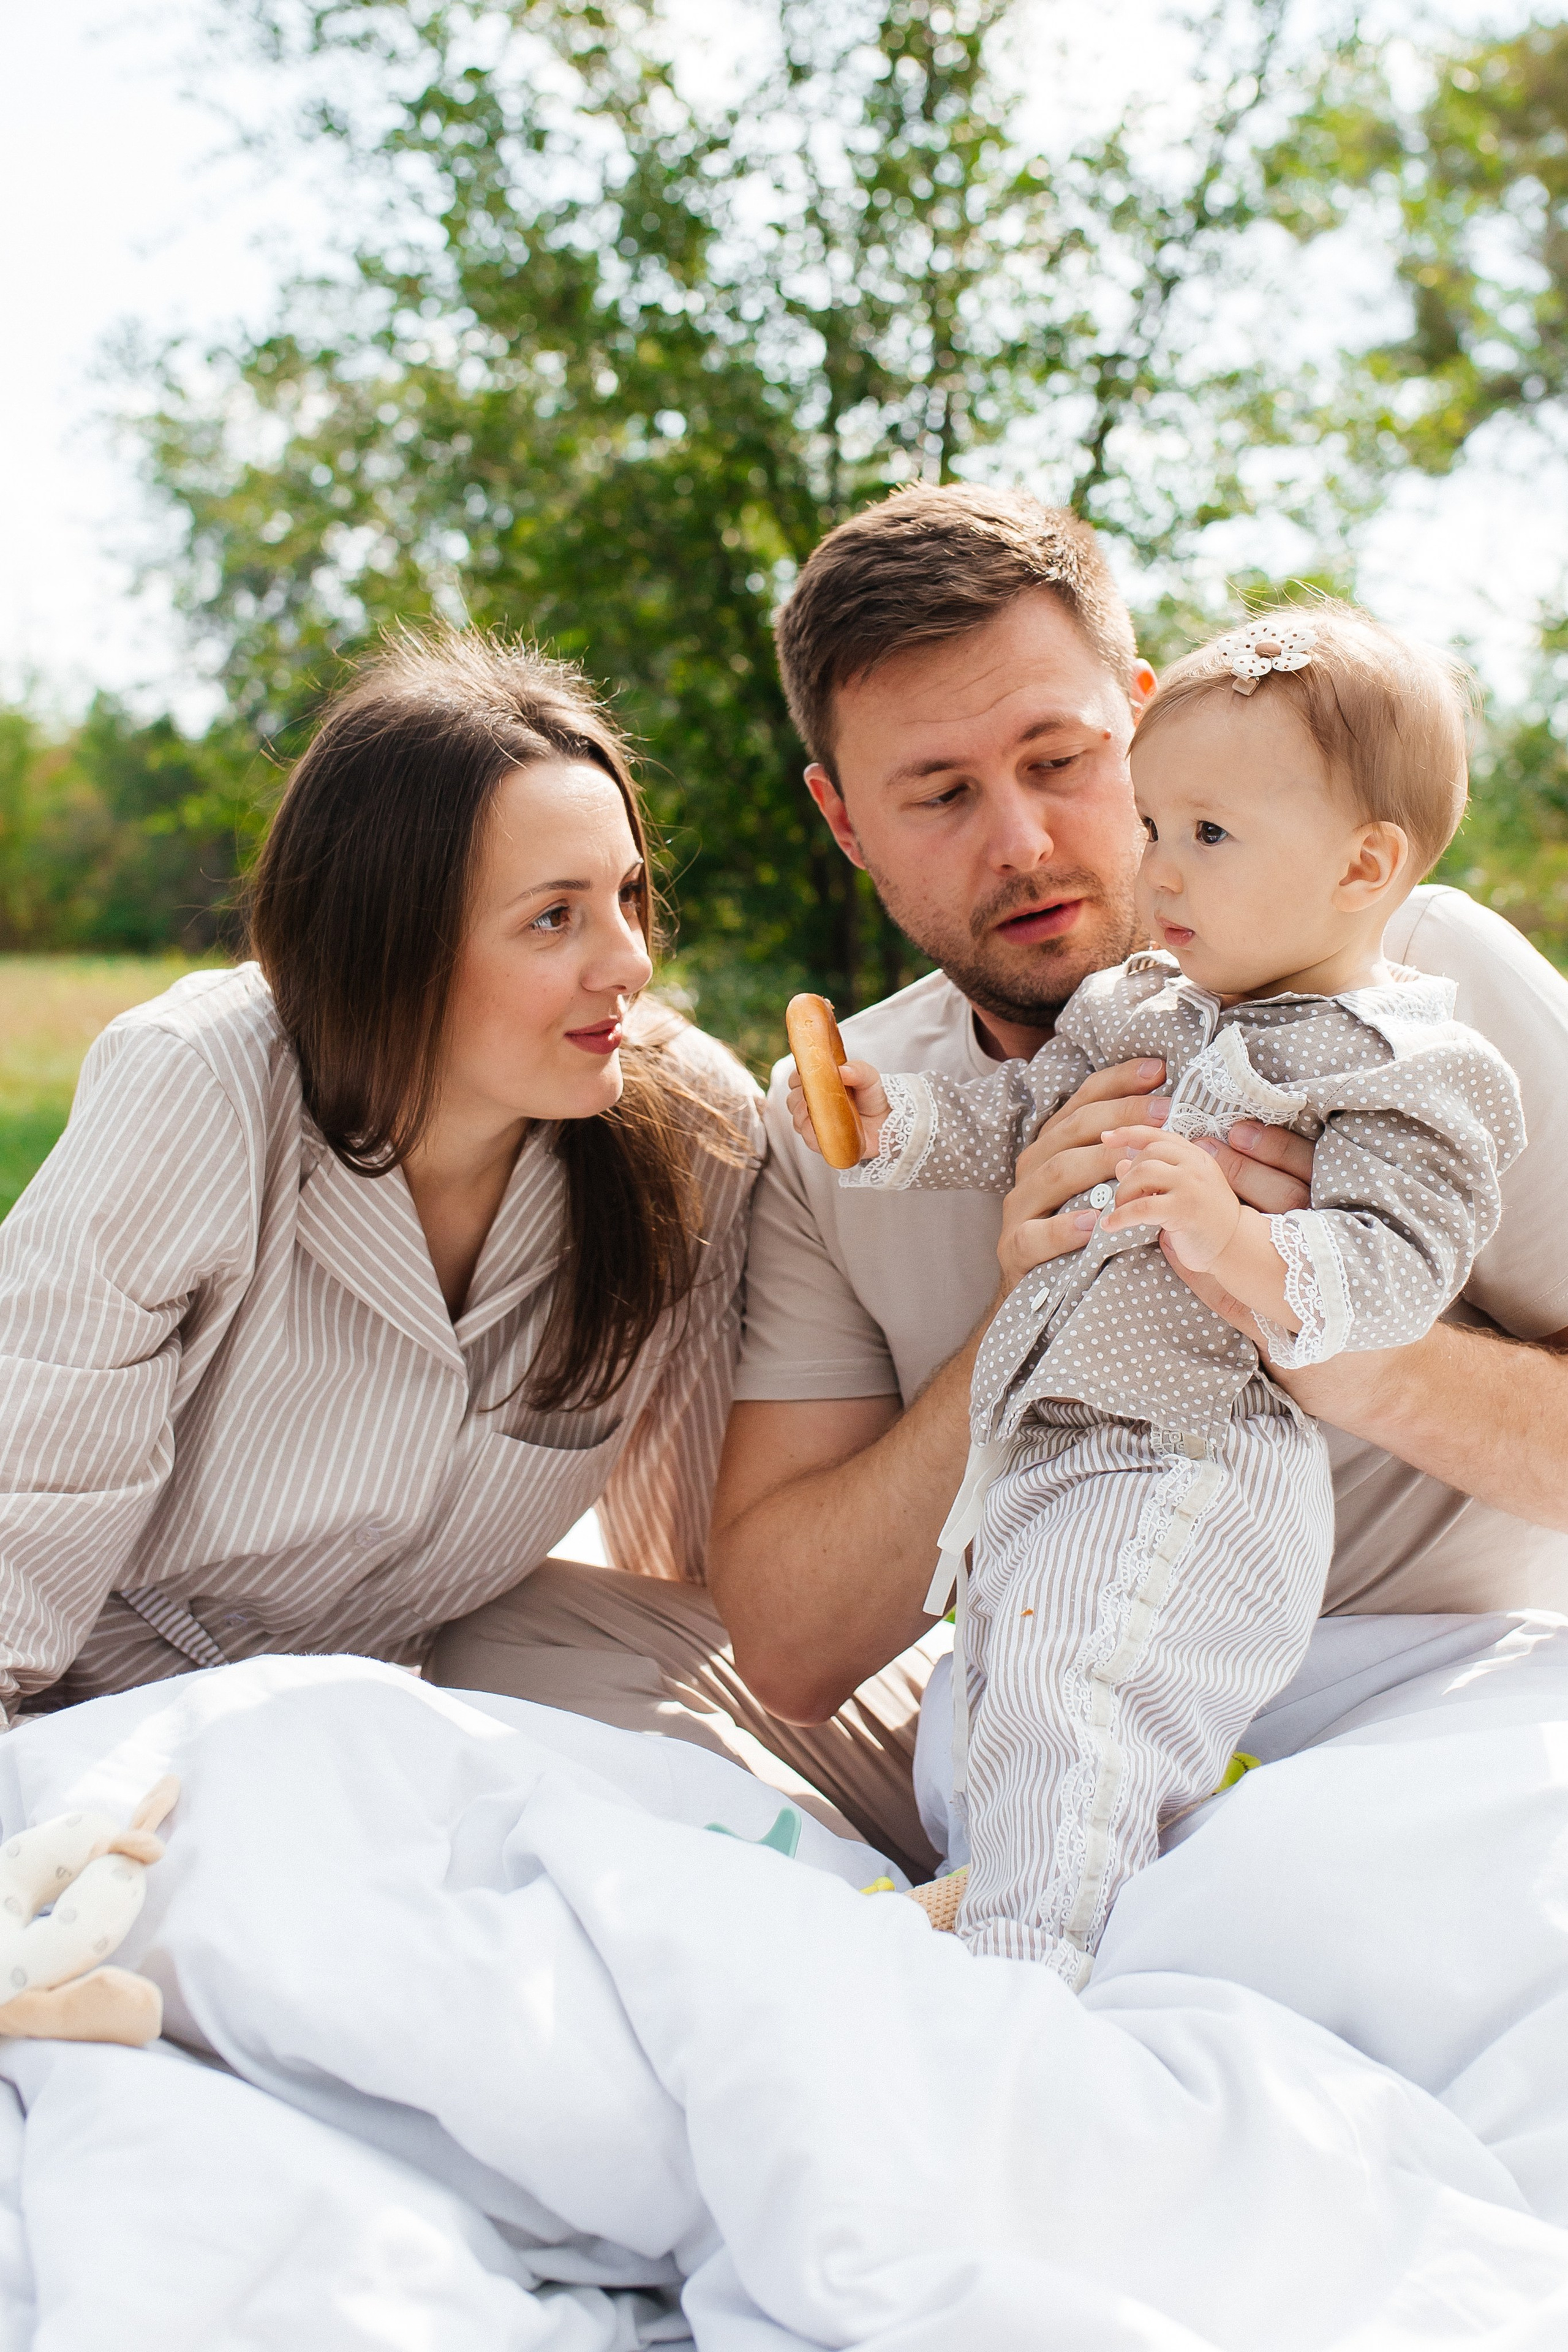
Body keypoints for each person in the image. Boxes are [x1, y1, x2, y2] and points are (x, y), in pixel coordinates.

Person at [438, 484, 1568, 1882]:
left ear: (1142, 729)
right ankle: (964, 1892)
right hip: (1040, 1665)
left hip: (1404, 1692)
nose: (1022, 841)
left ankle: (1013, 1908)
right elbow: (790, 1642)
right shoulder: (851, 1120)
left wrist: (1320, 1322)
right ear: (845, 821)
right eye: (940, 794)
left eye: (1059, 760)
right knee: (512, 1642)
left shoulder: (1417, 985)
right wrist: (1022, 1318)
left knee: (1326, 1860)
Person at [790, 603, 1524, 1969]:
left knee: (1083, 1690)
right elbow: (1019, 1117)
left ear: (1363, 865)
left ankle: (1026, 1959)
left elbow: (1396, 1259)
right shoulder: (1141, 1007)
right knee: (1019, 1682)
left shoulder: (1404, 1061)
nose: (1159, 869)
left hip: (1199, 1449)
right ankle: (1022, 1891)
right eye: (1154, 826)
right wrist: (895, 1125)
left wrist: (1244, 1246)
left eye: (1208, 836)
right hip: (1059, 1446)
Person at [0, 631, 760, 1725]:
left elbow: (685, 1562)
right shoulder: (200, 1086)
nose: (633, 962)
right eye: (555, 917)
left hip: (401, 1741)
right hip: (94, 1719)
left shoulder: (692, 1129)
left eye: (628, 895)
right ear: (392, 945)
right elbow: (18, 1543)